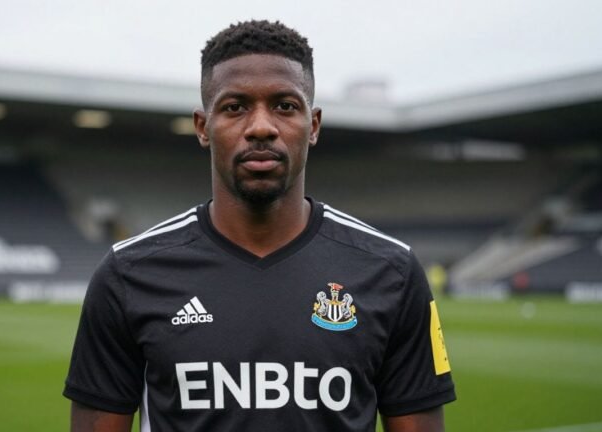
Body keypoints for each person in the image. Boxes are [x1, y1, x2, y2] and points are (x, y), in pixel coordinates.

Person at [64, 20, 455, 432]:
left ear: (314, 125)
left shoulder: (392, 271)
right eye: (235, 107)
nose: (261, 127)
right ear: (202, 127)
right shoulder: (128, 273)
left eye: (285, 105)